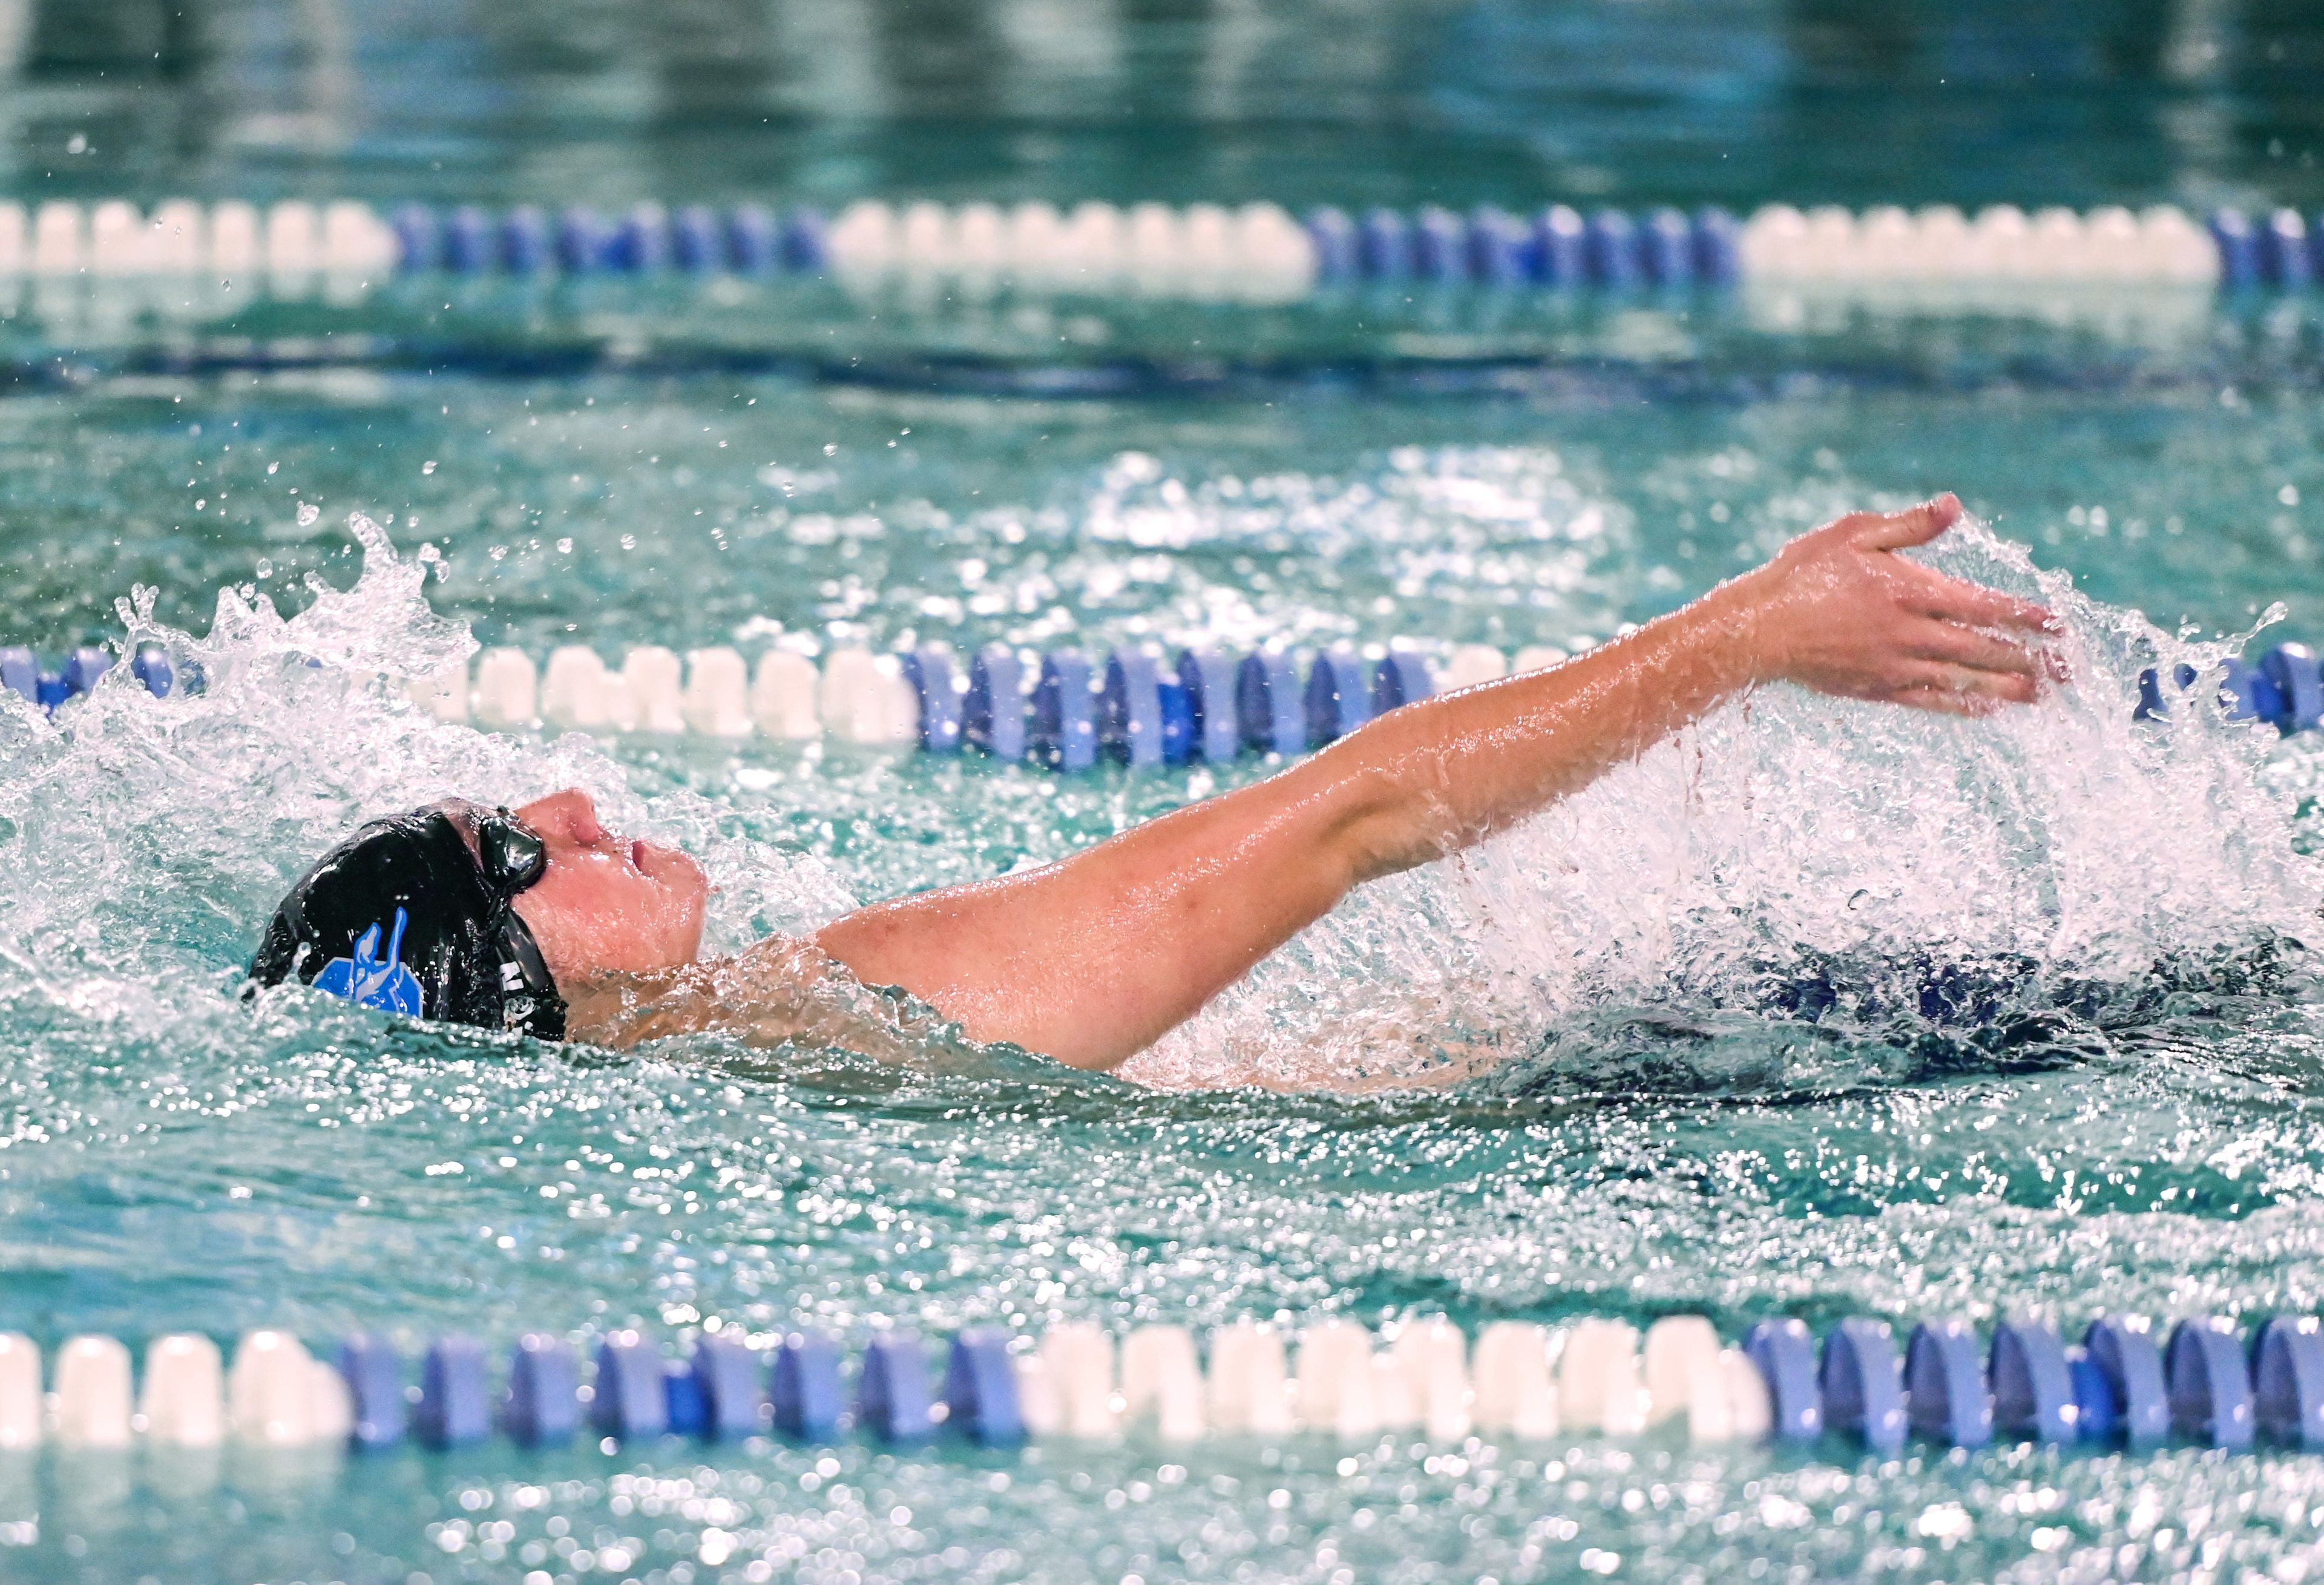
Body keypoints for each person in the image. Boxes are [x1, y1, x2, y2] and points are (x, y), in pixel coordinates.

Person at [249, 495, 2056, 1074]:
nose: (566, 802)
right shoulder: (847, 1000)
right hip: (1692, 1105)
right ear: (510, 977)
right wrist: (1744, 634)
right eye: (513, 855)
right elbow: (1350, 818)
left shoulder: (765, 1064)